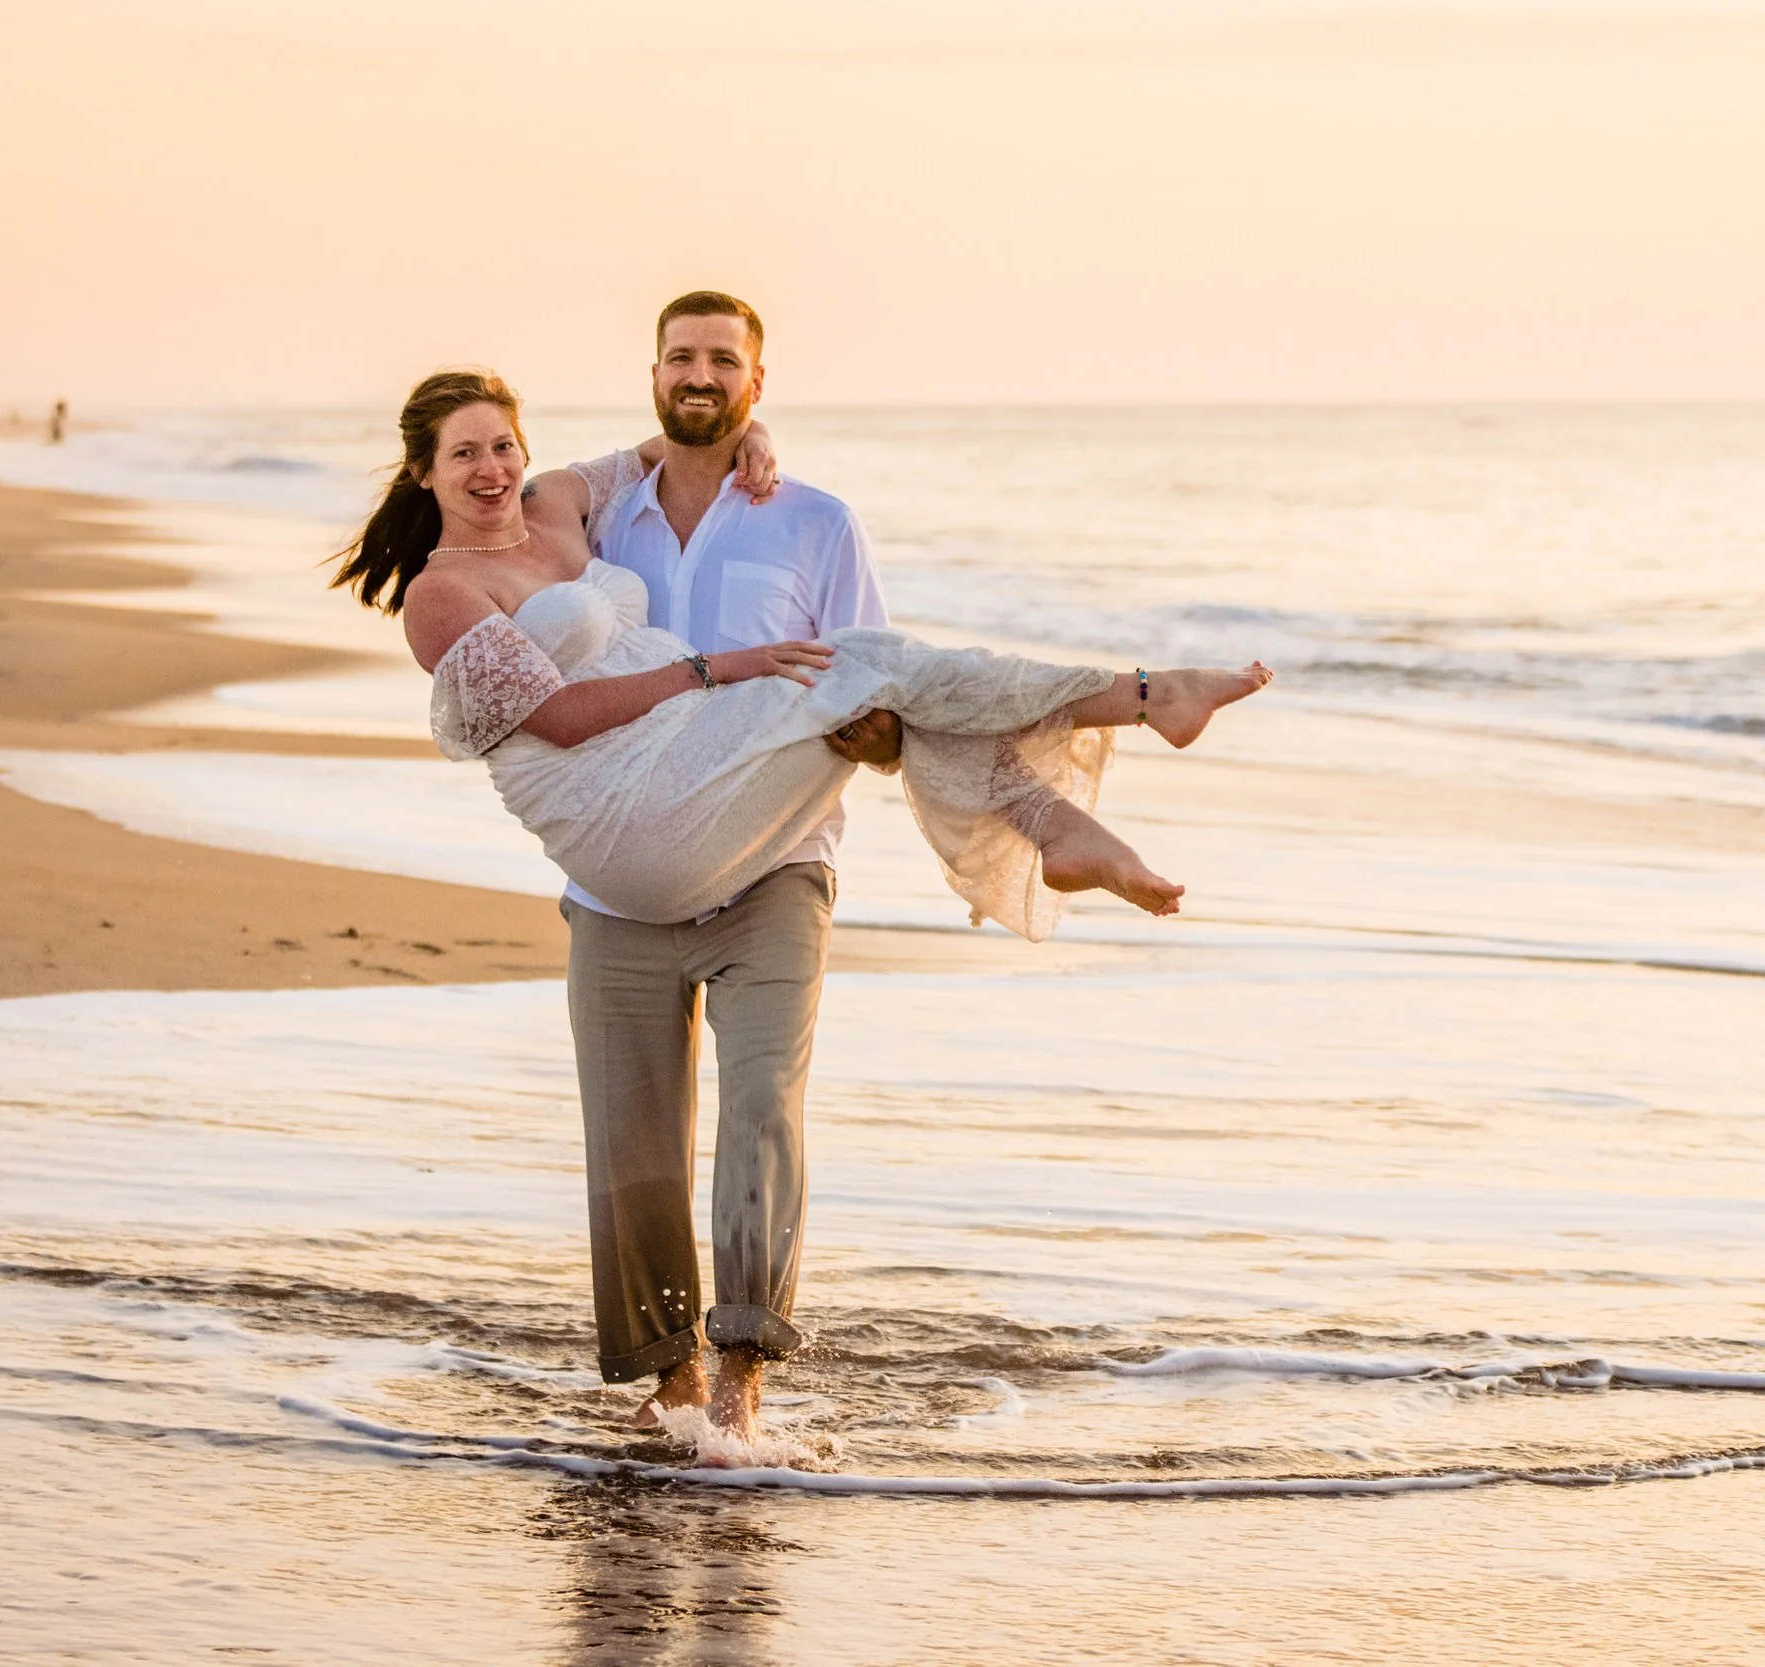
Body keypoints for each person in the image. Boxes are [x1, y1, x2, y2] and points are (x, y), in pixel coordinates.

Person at [332, 322, 1267, 1443]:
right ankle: (1127, 713)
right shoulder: (441, 592)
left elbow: (655, 451)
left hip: (742, 817)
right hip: (629, 818)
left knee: (871, 678)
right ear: (422, 472)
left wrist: (748, 440)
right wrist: (712, 666)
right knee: (634, 1136)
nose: (489, 469)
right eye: (464, 453)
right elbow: (559, 717)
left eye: (502, 446)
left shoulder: (569, 506)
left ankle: (727, 1392)